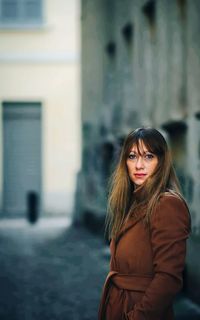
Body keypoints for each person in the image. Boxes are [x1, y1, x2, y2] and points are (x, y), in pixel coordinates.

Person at [98, 127, 190, 320]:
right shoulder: (132, 202)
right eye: (132, 156)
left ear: (161, 162)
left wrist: (135, 317)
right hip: (117, 306)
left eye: (148, 156)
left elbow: (168, 278)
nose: (139, 165)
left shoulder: (167, 204)